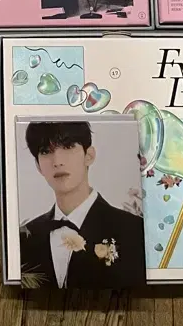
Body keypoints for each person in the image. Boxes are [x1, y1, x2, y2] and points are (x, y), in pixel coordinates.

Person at [19, 120, 146, 288]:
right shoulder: (24, 237)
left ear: (89, 156)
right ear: (38, 166)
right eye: (46, 151)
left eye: (68, 147)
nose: (57, 161)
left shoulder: (134, 230)